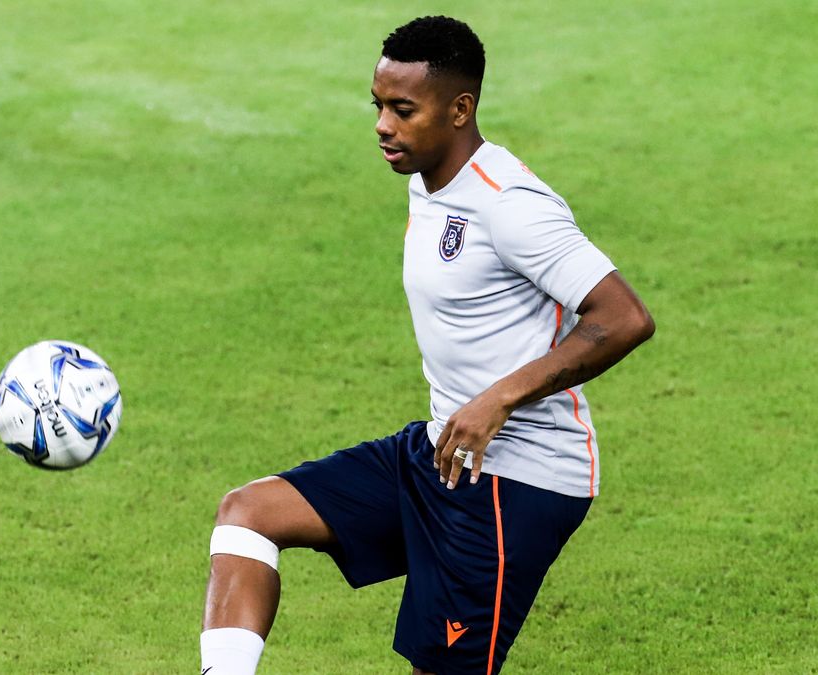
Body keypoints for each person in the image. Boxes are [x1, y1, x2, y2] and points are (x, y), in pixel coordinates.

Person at [200, 15, 654, 675]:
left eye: (403, 109)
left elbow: (624, 316)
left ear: (460, 109)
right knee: (248, 513)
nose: (383, 124)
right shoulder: (430, 178)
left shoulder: (512, 204)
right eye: (378, 106)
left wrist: (496, 399)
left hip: (516, 479)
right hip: (442, 452)